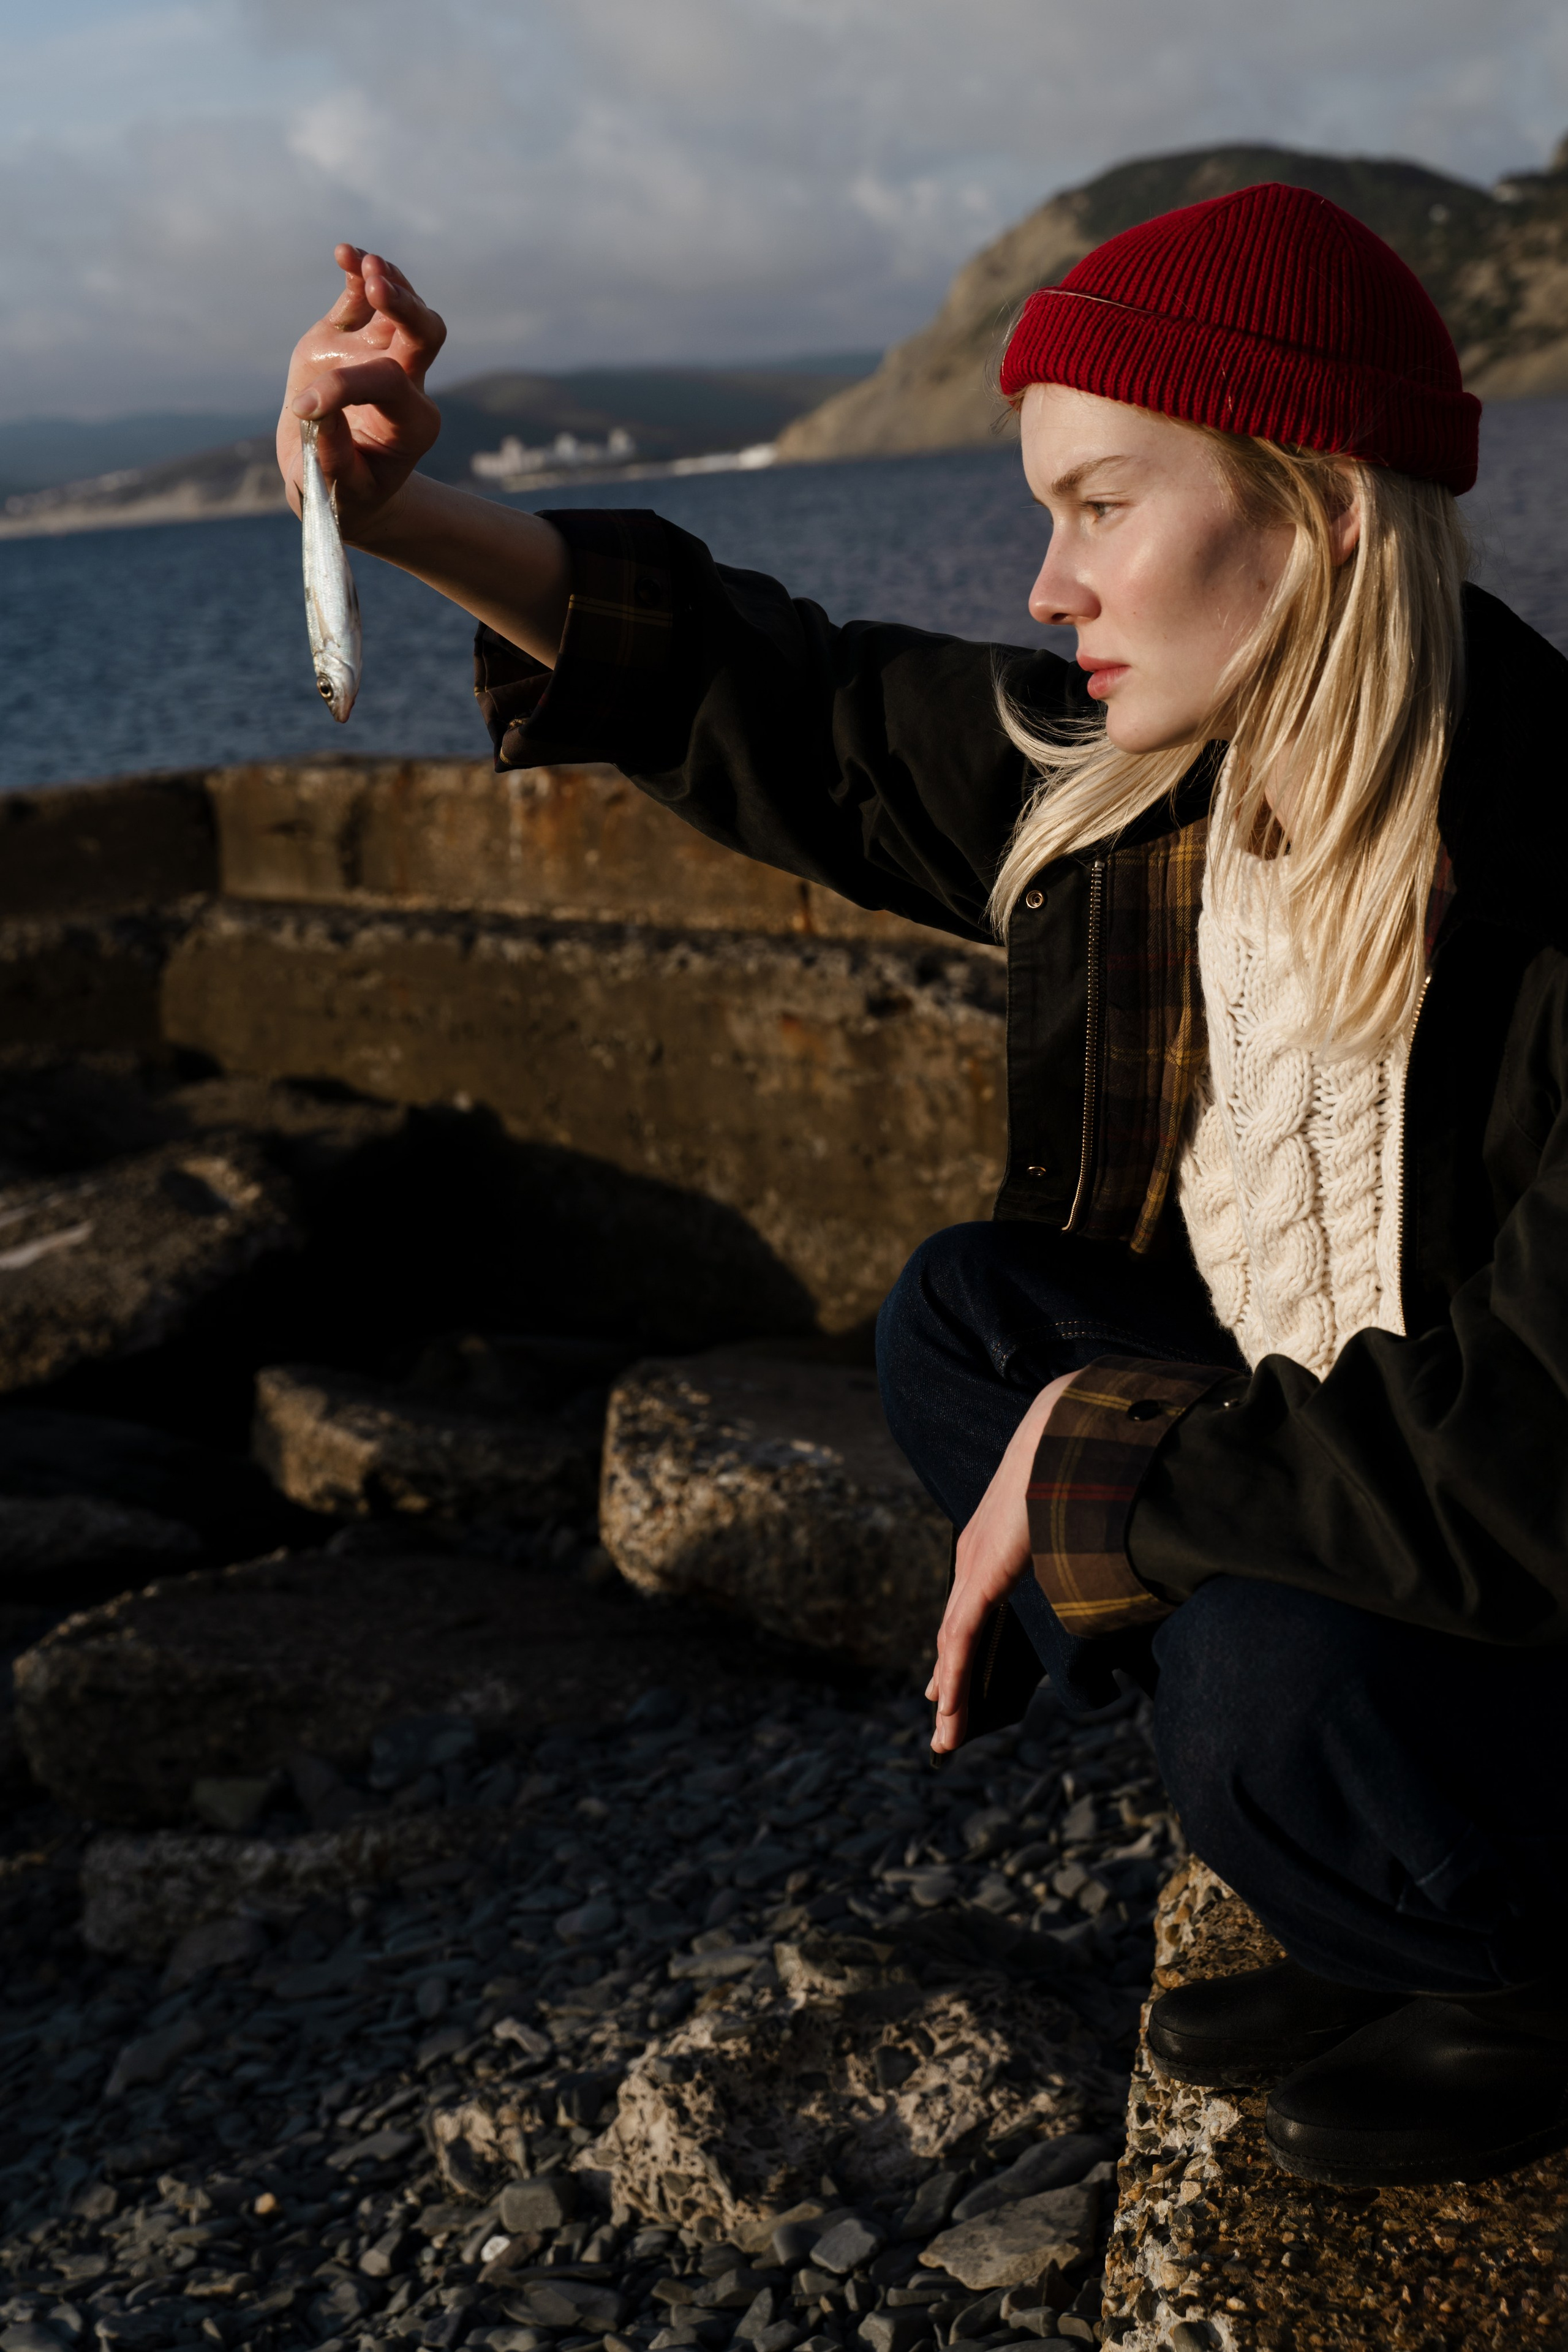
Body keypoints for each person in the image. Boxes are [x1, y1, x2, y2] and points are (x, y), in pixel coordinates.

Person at [277, 184, 1568, 2190]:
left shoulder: (1551, 864)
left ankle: (1501, 1939)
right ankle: (1373, 1882)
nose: (1046, 582)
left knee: (1255, 1677)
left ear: (1316, 505)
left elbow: (1527, 1467)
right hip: (1353, 1497)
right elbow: (795, 709)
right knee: (970, 1319)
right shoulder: (1151, 793)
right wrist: (395, 512)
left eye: (1101, 504)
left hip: (1520, 1552)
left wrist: (1110, 1466)